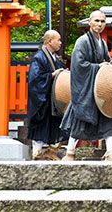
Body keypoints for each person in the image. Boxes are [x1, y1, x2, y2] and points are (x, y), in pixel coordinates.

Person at [60, 10, 112, 162]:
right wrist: (98, 67)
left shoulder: (102, 42)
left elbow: (106, 61)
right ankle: (70, 153)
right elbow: (79, 65)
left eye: (102, 21)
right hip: (86, 88)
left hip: (101, 88)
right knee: (80, 118)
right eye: (97, 21)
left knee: (110, 115)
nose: (99, 24)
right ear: (89, 22)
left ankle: (110, 153)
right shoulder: (82, 41)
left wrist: (109, 66)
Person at [27, 30, 67, 160]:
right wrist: (52, 75)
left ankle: (51, 151)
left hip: (51, 99)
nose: (60, 43)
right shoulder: (39, 57)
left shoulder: (53, 56)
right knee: (41, 125)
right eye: (58, 40)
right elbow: (35, 79)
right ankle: (37, 153)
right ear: (50, 41)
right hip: (42, 99)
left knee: (54, 125)